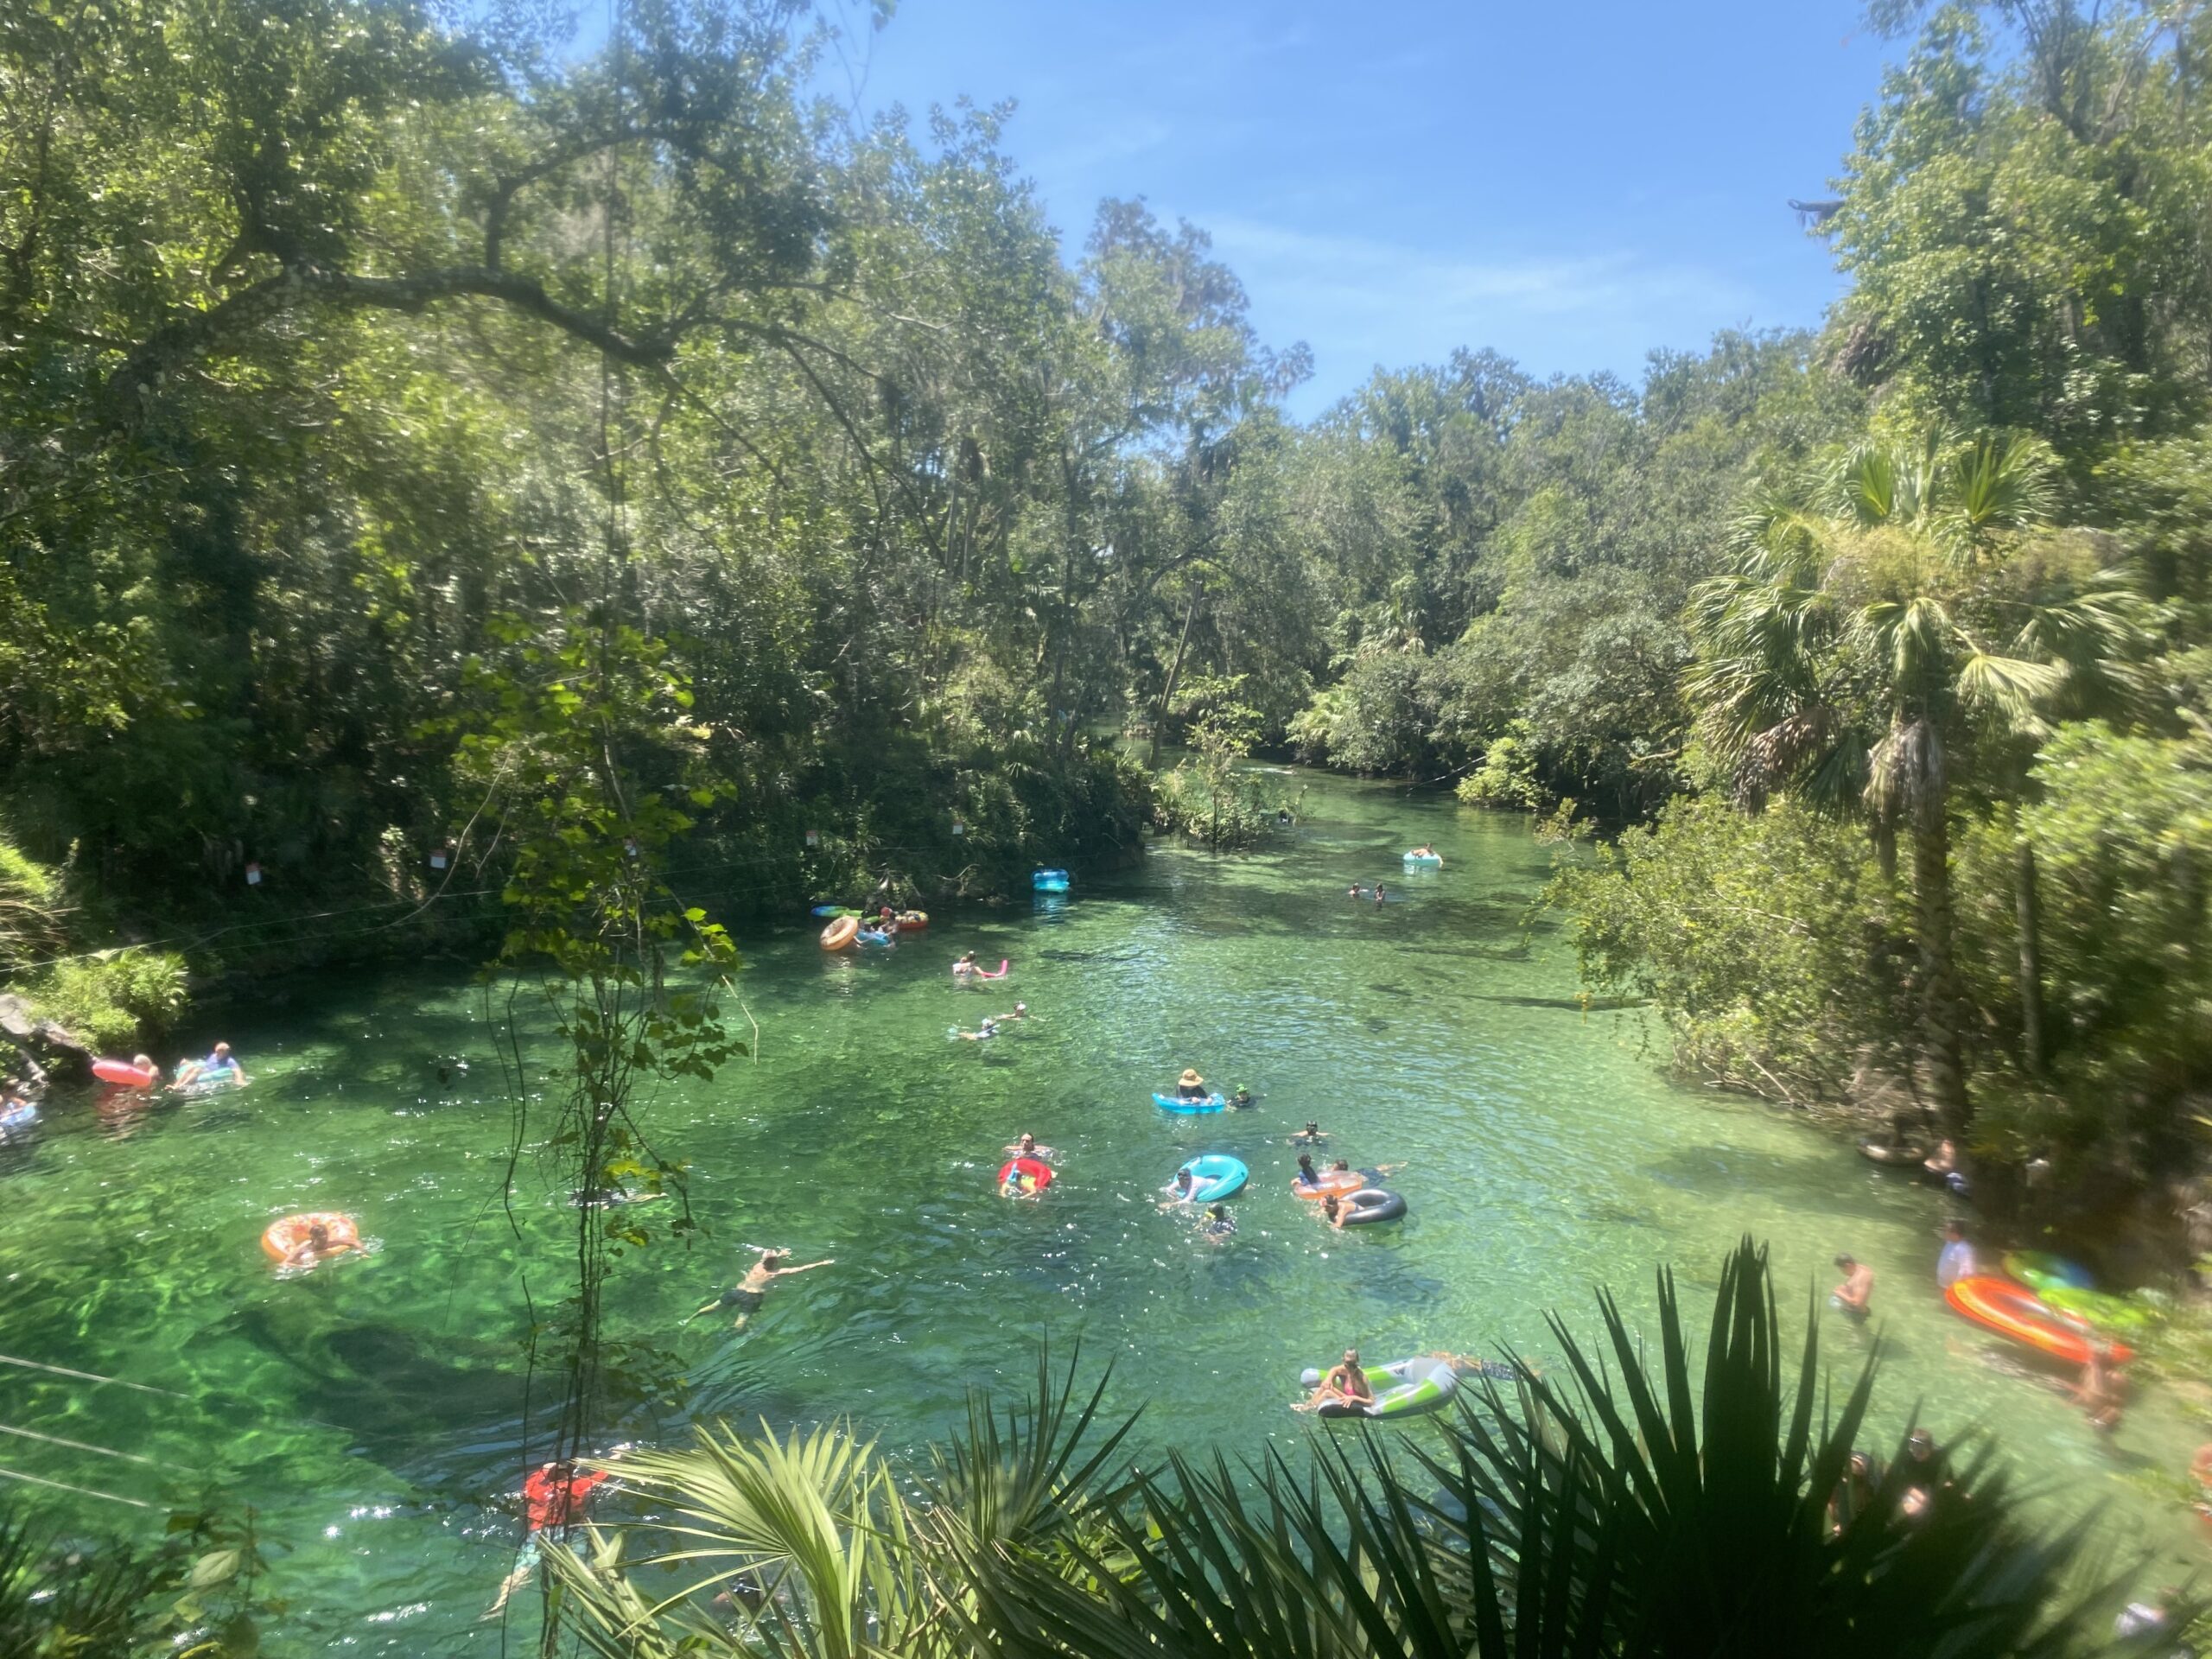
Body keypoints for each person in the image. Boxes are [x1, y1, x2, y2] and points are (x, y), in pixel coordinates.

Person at [486, 1454, 619, 1618]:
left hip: (540, 1532)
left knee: (522, 1571)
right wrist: (616, 1456)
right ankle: (580, 1603)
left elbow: (537, 1476)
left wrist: (547, 1469)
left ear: (544, 1476)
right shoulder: (578, 1486)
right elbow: (602, 1474)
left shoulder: (533, 1487)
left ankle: (499, 1603)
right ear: (566, 1475)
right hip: (572, 1530)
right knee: (581, 1568)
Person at [688, 1248, 834, 1331]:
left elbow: (768, 1260)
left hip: (737, 1291)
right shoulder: (776, 1273)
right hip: (752, 1298)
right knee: (741, 1321)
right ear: (776, 1262)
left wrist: (779, 1255)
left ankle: (690, 1318)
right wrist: (822, 1262)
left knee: (714, 1306)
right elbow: (801, 1269)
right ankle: (732, 1335)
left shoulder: (757, 1266)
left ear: (763, 1260)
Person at [2075, 1343, 2129, 1433]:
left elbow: (2116, 1409)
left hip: (2105, 1421)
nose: (2092, 1358)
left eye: (2097, 1356)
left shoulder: (2116, 1379)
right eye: (2094, 1354)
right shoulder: (2090, 1369)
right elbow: (2085, 1391)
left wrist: (2097, 1422)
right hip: (2089, 1414)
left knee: (2104, 1440)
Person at [1305, 1350, 1374, 1411]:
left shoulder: (1360, 1379)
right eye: (1347, 1364)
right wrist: (1328, 1379)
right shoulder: (1346, 1369)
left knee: (1327, 1393)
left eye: (1353, 1365)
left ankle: (1310, 1409)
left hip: (1355, 1403)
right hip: (1347, 1397)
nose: (1350, 1368)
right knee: (1324, 1386)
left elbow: (1370, 1401)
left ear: (1357, 1361)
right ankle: (1308, 1405)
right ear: (1343, 1361)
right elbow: (1334, 1369)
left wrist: (1354, 1398)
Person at [176, 1042, 247, 1090]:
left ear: (224, 1052)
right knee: (191, 1068)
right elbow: (206, 1063)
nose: (217, 1053)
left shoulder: (229, 1060)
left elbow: (237, 1070)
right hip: (205, 1069)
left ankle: (181, 1086)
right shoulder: (214, 1056)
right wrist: (190, 1063)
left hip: (210, 1072)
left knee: (197, 1070)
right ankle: (176, 1085)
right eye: (217, 1051)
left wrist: (240, 1080)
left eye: (220, 1052)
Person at [1832, 1254, 1873, 1318]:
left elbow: (1857, 1303)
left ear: (1848, 1266)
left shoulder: (1859, 1280)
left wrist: (1839, 1293)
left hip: (1856, 1314)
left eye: (1841, 1269)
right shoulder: (1862, 1269)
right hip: (1860, 1310)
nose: (1841, 1272)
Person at [1936, 1221, 1976, 1288]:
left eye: (1946, 1231)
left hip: (1952, 1288)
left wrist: (1957, 1288)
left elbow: (1966, 1272)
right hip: (1942, 1284)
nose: (1944, 1233)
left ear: (1955, 1233)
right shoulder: (1949, 1243)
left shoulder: (1963, 1249)